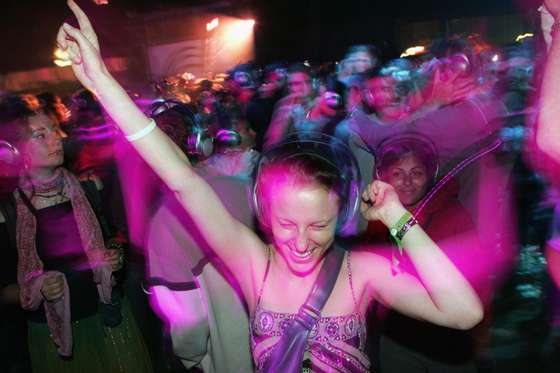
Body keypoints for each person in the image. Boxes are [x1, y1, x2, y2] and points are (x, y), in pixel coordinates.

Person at [56, 2, 483, 372]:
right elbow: (182, 179)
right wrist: (104, 85)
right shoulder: (251, 263)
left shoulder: (361, 273)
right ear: (264, 213)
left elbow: (464, 312)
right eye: (286, 223)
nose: (300, 242)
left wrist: (396, 217)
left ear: (343, 214)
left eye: (318, 225)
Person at [0, 94, 152, 373]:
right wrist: (34, 287)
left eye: (55, 130)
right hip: (53, 334)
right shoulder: (8, 212)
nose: (56, 139)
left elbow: (116, 238)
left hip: (108, 319)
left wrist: (114, 255)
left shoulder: (88, 187)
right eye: (40, 135)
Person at [367, 135, 491, 373]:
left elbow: (480, 282)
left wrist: (482, 339)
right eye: (397, 173)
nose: (407, 181)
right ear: (384, 178)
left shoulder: (454, 216)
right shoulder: (377, 219)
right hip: (397, 340)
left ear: (429, 176)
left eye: (416, 172)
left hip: (449, 344)